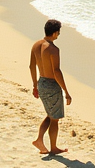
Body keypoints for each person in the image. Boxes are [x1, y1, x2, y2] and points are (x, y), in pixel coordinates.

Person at [30, 18, 71, 155]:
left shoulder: (36, 45)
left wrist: (35, 85)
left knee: (50, 114)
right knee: (55, 118)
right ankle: (53, 148)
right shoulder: (53, 49)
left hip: (41, 82)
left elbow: (31, 66)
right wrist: (66, 91)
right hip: (52, 85)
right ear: (54, 33)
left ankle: (39, 140)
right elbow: (56, 71)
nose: (58, 35)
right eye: (58, 32)